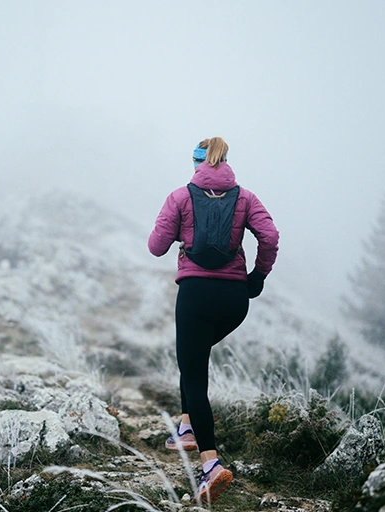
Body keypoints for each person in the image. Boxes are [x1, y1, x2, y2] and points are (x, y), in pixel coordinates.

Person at [148, 137, 279, 505]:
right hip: (235, 300)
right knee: (192, 358)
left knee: (193, 371)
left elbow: (156, 246)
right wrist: (257, 276)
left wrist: (179, 229)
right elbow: (269, 237)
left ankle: (210, 465)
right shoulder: (246, 198)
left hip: (195, 294)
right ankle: (186, 427)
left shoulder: (180, 197)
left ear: (197, 163)